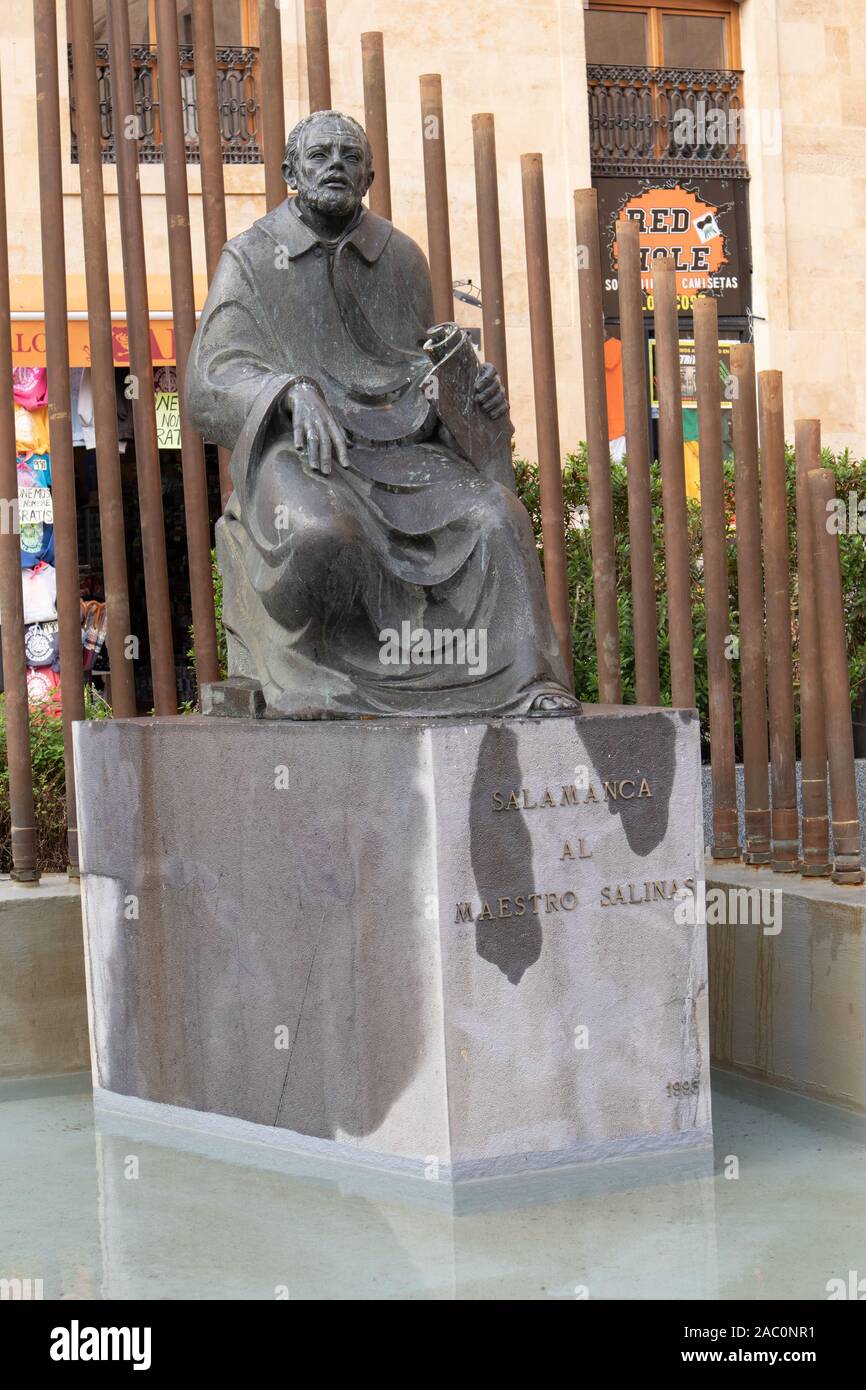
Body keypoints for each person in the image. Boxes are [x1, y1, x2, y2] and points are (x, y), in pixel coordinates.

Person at [185, 110, 576, 719]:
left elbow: (414, 367)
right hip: (302, 450)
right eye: (319, 155)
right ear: (290, 171)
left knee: (495, 516)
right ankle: (312, 679)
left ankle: (521, 683)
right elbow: (209, 381)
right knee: (321, 530)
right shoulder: (252, 259)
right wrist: (286, 390)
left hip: (401, 449)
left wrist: (465, 390)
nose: (334, 165)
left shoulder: (401, 258)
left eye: (348, 155)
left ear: (369, 174)